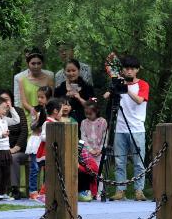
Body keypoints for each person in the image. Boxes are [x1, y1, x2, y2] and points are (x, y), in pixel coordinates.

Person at [103, 54, 149, 201]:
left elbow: (139, 100)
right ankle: (120, 190)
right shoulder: (118, 83)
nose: (129, 71)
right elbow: (105, 96)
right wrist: (114, 87)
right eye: (126, 68)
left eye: (132, 69)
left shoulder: (143, 84)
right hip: (120, 128)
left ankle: (139, 191)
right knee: (119, 161)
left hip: (137, 128)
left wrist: (126, 89)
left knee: (138, 161)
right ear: (122, 70)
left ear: (137, 70)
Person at [25, 86, 53, 200]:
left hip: (45, 141)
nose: (40, 99)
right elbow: (33, 127)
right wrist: (37, 119)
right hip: (36, 140)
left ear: (48, 98)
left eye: (42, 97)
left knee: (47, 167)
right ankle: (33, 191)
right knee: (35, 167)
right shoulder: (35, 110)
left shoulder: (51, 111)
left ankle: (45, 191)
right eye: (38, 97)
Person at [17, 50, 54, 124]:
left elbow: (51, 99)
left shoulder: (49, 79)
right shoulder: (22, 80)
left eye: (39, 63)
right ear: (28, 64)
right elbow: (24, 102)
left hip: (45, 115)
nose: (36, 66)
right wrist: (33, 110)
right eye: (33, 63)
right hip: (29, 116)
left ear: (42, 64)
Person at [80, 99, 107, 199]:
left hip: (99, 152)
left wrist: (100, 149)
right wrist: (90, 150)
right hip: (88, 152)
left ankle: (99, 192)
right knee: (88, 172)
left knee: (99, 172)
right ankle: (89, 192)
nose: (88, 116)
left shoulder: (103, 122)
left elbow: (105, 137)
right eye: (86, 113)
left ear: (96, 111)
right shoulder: (83, 123)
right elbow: (83, 137)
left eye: (90, 114)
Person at [54, 58, 94, 123]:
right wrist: (64, 98)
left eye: (73, 70)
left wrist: (80, 98)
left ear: (78, 71)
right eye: (68, 71)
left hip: (84, 123)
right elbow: (55, 107)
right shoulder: (59, 88)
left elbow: (94, 104)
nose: (71, 73)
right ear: (64, 72)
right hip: (64, 123)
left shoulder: (87, 87)